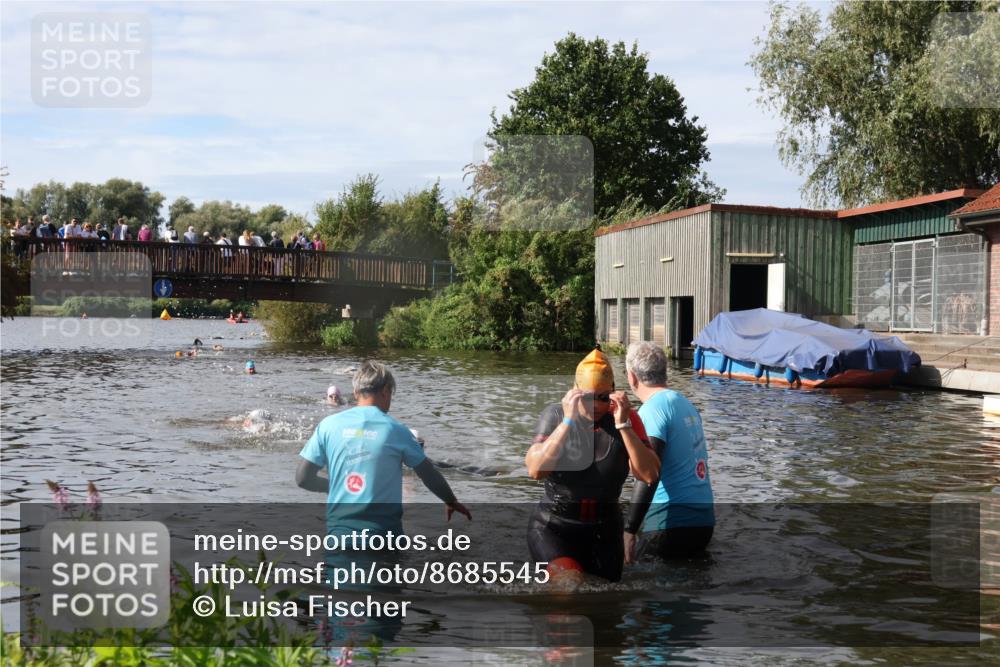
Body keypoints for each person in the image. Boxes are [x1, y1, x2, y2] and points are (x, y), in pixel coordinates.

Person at [524, 346, 660, 584]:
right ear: (574, 392)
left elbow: (649, 474)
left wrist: (624, 426)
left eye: (603, 397)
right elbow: (536, 469)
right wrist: (568, 421)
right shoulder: (555, 416)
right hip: (555, 529)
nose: (596, 405)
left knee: (608, 613)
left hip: (604, 533)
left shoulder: (627, 418)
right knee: (570, 585)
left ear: (614, 393)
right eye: (587, 397)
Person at [296, 361, 471, 534]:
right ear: (386, 390)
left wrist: (336, 487)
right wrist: (450, 500)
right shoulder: (397, 430)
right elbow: (428, 473)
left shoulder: (328, 425)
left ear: (356, 392)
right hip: (383, 536)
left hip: (339, 537)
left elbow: (302, 478)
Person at [623, 341, 715, 562]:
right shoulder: (685, 404)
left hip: (670, 523)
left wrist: (630, 529)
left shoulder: (652, 410)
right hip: (703, 523)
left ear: (632, 377)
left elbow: (648, 475)